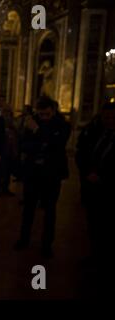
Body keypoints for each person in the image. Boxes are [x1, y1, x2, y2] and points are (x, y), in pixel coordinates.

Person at [14, 96, 70, 258]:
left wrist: (38, 132)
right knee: (28, 208)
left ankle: (47, 244)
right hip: (33, 172)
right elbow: (24, 144)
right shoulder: (32, 122)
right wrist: (43, 144)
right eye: (41, 114)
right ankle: (24, 239)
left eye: (47, 114)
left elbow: (57, 144)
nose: (43, 118)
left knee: (50, 210)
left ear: (53, 111)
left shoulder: (63, 124)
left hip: (52, 174)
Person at [76, 102, 115, 288]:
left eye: (111, 117)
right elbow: (87, 153)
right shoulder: (99, 134)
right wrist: (87, 172)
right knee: (94, 225)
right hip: (92, 188)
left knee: (107, 228)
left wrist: (101, 176)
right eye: (105, 117)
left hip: (108, 190)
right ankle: (95, 255)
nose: (108, 121)